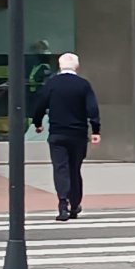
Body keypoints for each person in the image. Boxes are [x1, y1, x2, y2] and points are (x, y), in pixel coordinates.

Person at [32, 53, 101, 222]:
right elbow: (92, 108)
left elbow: (40, 104)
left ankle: (63, 204)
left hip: (57, 133)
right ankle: (75, 204)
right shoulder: (83, 85)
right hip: (77, 134)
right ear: (76, 66)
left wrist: (37, 122)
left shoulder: (52, 84)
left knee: (60, 168)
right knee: (74, 169)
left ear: (59, 66)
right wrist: (96, 130)